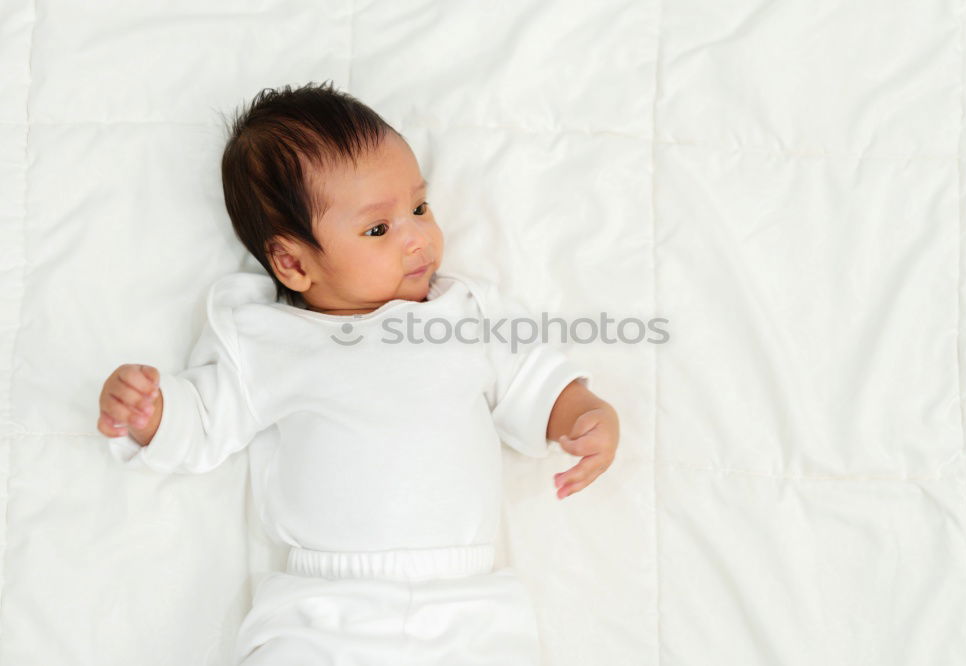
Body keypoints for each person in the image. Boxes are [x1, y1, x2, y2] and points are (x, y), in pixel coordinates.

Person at [96, 81, 619, 665]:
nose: (417, 237)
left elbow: (533, 379)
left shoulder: (463, 314)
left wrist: (582, 412)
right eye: (379, 229)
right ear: (293, 263)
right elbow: (206, 417)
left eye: (419, 207)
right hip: (322, 607)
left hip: (467, 601)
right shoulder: (269, 340)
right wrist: (155, 412)